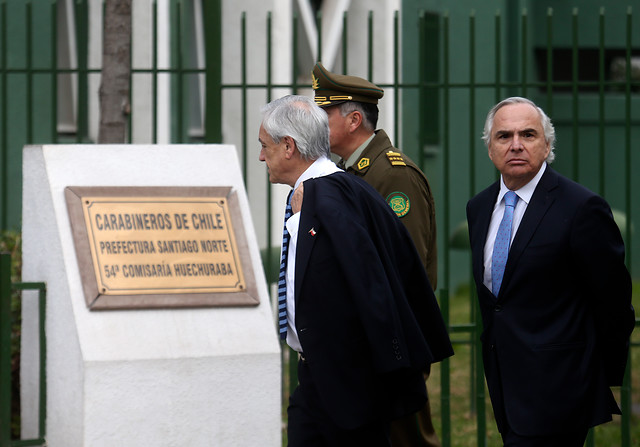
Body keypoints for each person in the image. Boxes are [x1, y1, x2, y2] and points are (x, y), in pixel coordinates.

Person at [259, 95, 453, 447]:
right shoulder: (324, 192)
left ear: (288, 146)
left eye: (264, 146)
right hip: (320, 379)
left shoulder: (332, 198)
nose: (261, 156)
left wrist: (385, 371)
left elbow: (371, 287)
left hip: (347, 385)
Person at [466, 96, 635, 446]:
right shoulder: (479, 208)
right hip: (504, 384)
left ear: (547, 145)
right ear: (490, 148)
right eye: (503, 136)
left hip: (561, 390)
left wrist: (595, 374)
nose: (515, 145)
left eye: (528, 135)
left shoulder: (581, 208)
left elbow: (613, 301)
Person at [312, 61, 441, 447]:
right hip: (367, 341)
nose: (315, 124)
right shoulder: (352, 172)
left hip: (393, 342)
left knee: (406, 439)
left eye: (324, 114)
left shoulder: (392, 175)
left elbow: (406, 266)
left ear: (353, 120)